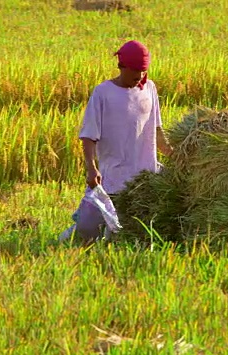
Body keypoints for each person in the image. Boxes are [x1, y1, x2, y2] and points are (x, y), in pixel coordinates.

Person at [59, 40, 173, 244]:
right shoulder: (103, 93)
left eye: (143, 71)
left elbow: (156, 129)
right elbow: (89, 136)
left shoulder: (149, 89)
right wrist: (91, 169)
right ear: (122, 66)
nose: (139, 76)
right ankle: (69, 239)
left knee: (135, 232)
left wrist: (174, 153)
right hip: (113, 177)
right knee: (88, 230)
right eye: (135, 70)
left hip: (144, 178)